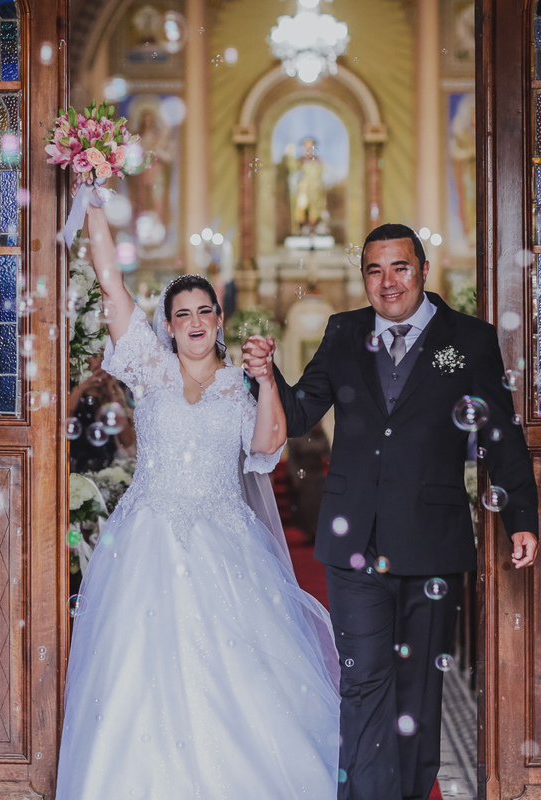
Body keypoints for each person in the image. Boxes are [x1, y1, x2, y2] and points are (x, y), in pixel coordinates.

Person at [244, 223, 538, 800]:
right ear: (364, 279)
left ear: (422, 270)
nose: (387, 282)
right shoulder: (344, 331)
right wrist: (266, 375)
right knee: (364, 684)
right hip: (353, 538)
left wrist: (520, 516)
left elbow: (500, 436)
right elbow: (301, 414)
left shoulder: (469, 340)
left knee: (418, 691)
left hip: (431, 539)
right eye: (374, 270)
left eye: (399, 267)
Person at [56, 204, 340, 799]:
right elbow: (110, 278)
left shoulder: (239, 384)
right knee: (140, 665)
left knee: (233, 666)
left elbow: (265, 445)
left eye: (203, 311)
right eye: (180, 313)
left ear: (218, 319)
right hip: (149, 535)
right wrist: (95, 194)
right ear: (167, 324)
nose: (193, 321)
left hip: (222, 537)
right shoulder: (149, 369)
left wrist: (266, 382)